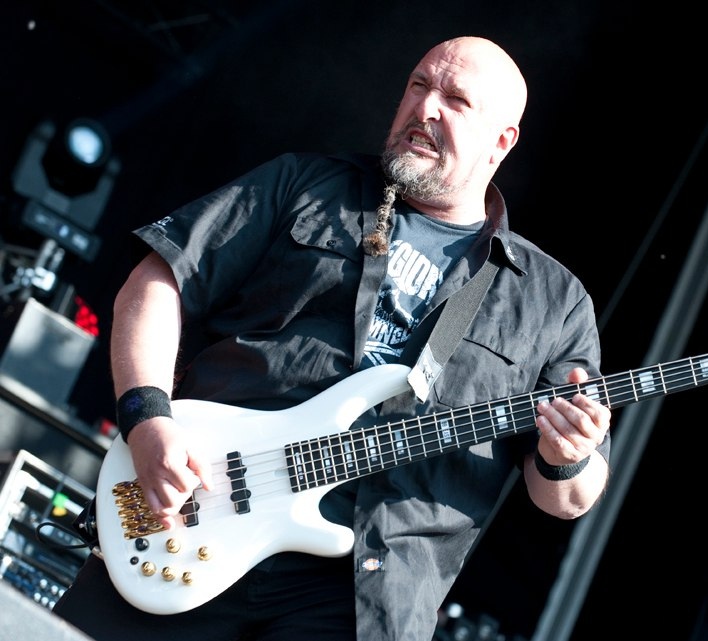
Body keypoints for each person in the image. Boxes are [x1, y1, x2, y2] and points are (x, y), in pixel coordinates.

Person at [53, 35, 612, 640]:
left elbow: (569, 498)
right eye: (419, 85)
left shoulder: (553, 301)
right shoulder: (305, 183)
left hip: (365, 601)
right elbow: (155, 284)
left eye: (455, 100)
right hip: (199, 514)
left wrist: (569, 456)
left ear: (502, 141)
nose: (425, 107)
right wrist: (146, 419)